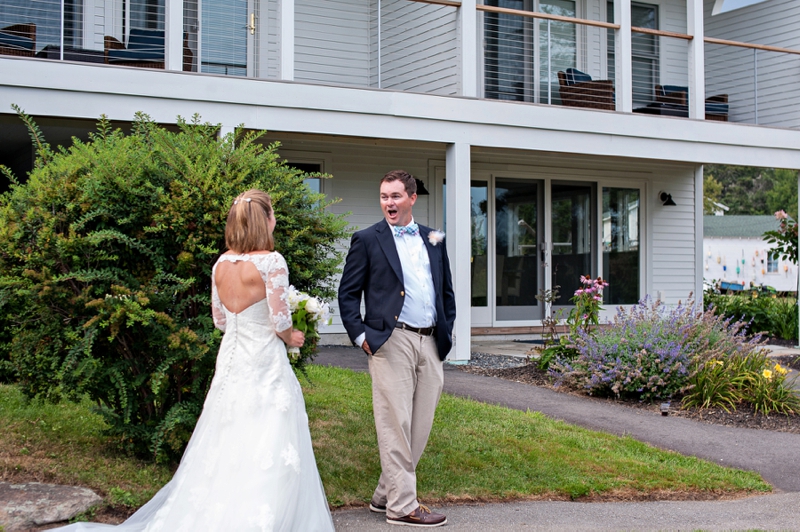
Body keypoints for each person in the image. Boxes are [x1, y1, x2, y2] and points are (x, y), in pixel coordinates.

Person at [54, 189, 334, 531]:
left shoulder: (220, 264)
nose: (275, 220)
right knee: (268, 439)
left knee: (226, 437)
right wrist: (294, 335)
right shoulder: (272, 262)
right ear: (266, 221)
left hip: (231, 364)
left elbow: (219, 320)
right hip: (264, 366)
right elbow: (278, 322)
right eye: (273, 213)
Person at [338, 170, 456, 528]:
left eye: (395, 196)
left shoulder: (433, 238)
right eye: (384, 196)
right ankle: (402, 506)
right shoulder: (367, 239)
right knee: (394, 423)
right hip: (391, 340)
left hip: (431, 340)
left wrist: (447, 331)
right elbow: (347, 293)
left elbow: (445, 290)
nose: (389, 203)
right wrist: (362, 337)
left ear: (412, 198)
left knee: (419, 425)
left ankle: (383, 494)